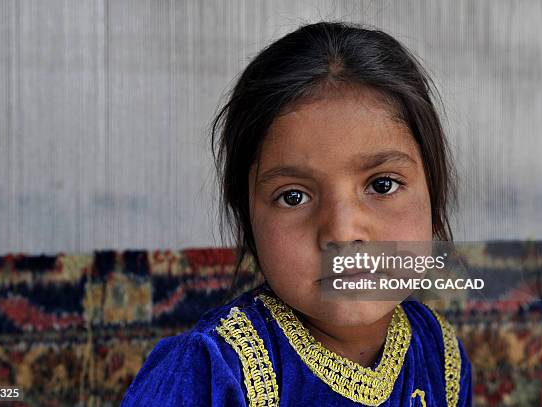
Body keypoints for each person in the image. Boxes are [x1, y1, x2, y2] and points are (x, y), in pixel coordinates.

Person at [121, 20, 472, 406]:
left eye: (382, 185)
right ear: (248, 221)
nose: (341, 231)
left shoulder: (438, 354)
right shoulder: (214, 370)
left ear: (434, 199)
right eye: (293, 196)